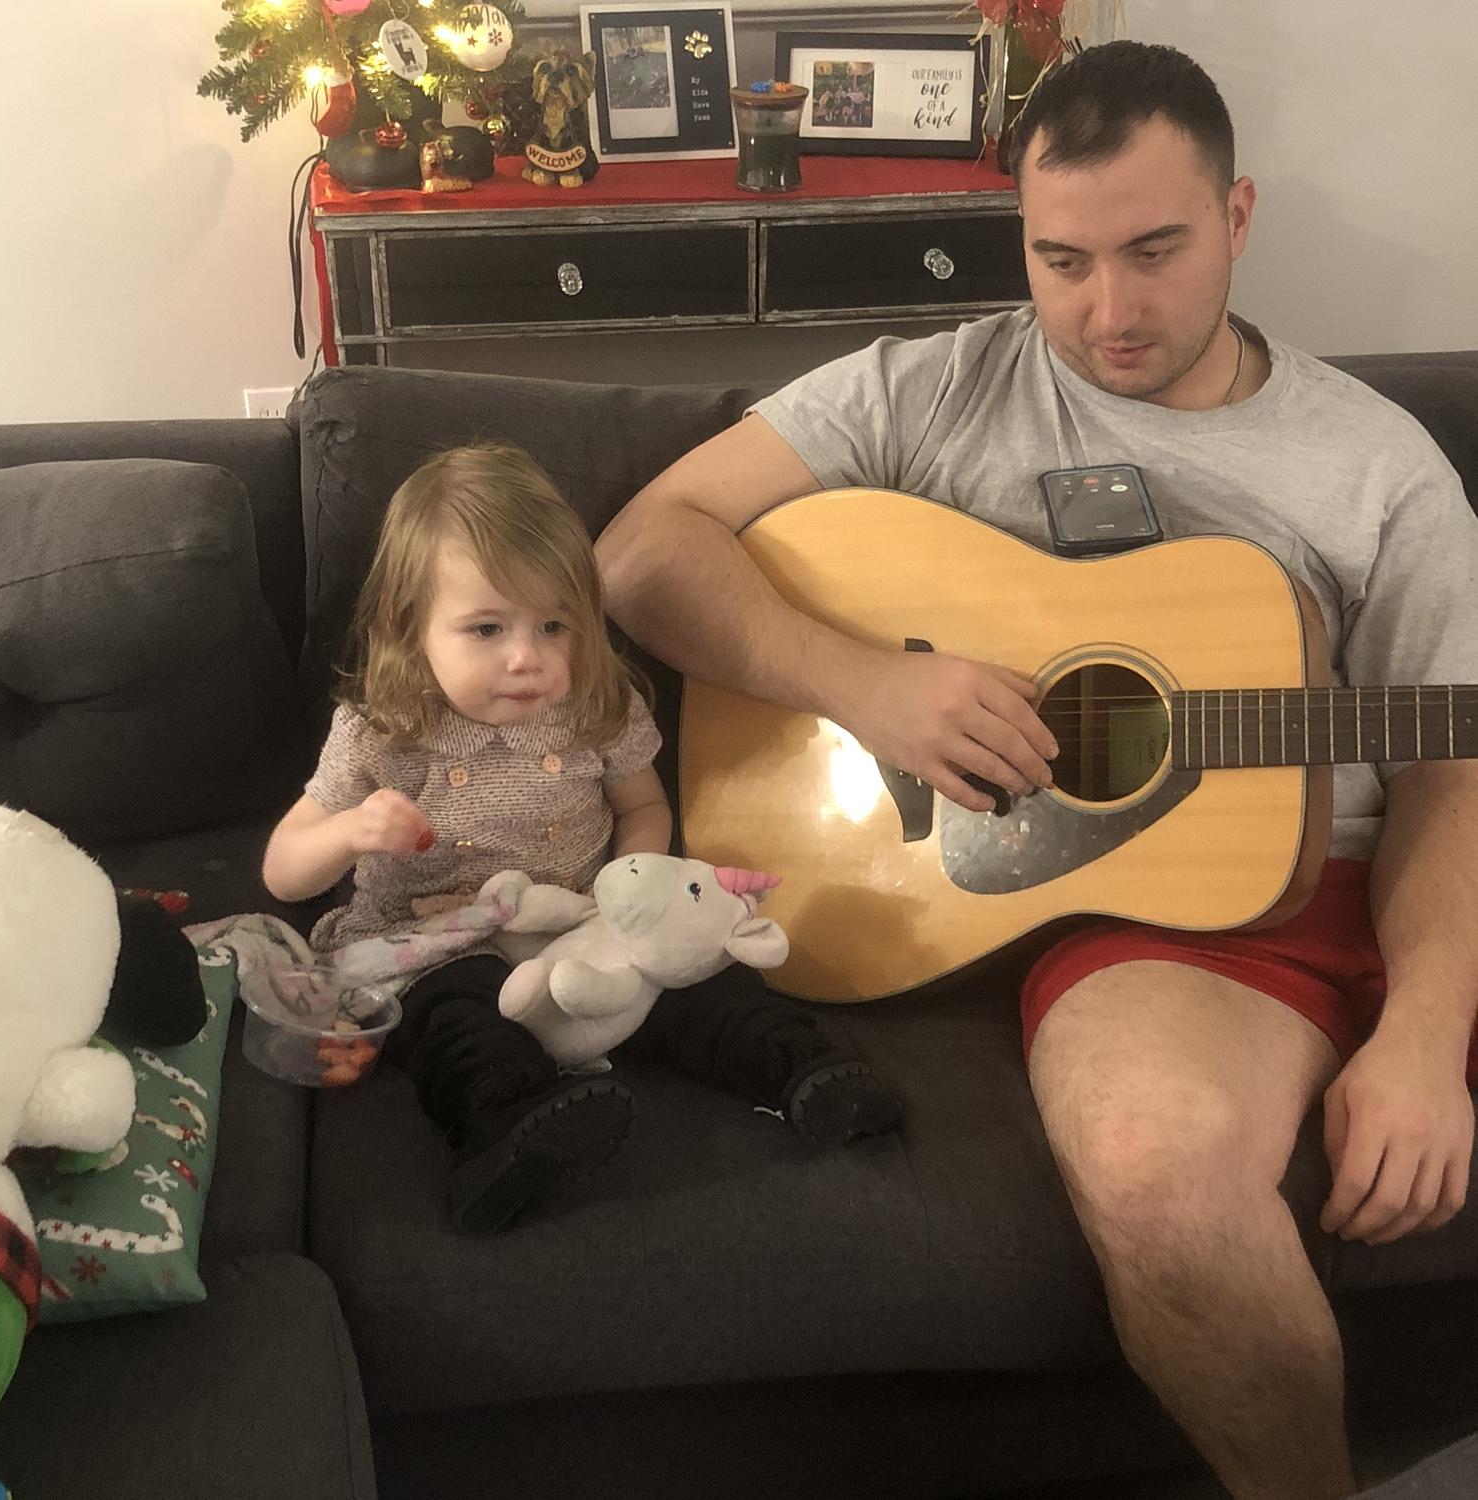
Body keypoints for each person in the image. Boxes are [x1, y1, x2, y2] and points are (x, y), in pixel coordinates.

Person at [595, 40, 1478, 1500]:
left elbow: (1453, 772)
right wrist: (866, 685)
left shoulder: (1380, 468)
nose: (1107, 311)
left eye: (1155, 251)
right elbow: (641, 554)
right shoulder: (926, 392)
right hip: (1148, 918)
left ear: (1241, 216)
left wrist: (1426, 1040)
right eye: (1061, 260)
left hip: (1354, 875)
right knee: (1153, 1174)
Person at [262, 443, 901, 1234]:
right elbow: (283, 873)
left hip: (586, 926)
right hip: (439, 945)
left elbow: (643, 807)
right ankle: (514, 1129)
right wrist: (352, 830)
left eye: (554, 624)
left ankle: (808, 1070)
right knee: (457, 1026)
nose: (527, 657)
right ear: (409, 626)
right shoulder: (381, 732)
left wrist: (638, 880)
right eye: (487, 628)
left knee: (707, 982)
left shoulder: (598, 706)